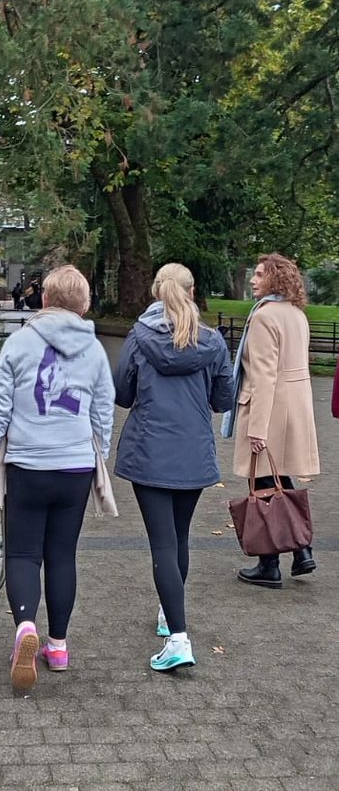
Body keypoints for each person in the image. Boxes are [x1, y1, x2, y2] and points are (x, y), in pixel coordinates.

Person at [0, 265, 115, 693]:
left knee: (23, 554)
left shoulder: (18, 343)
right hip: (75, 467)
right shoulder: (95, 350)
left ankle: (24, 628)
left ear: (45, 300)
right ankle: (58, 646)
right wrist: (100, 456)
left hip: (27, 465)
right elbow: (103, 410)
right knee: (62, 555)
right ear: (84, 306)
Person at [114, 263, 234, 672]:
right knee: (179, 538)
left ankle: (178, 639)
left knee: (163, 543)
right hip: (193, 451)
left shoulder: (139, 335)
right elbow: (223, 400)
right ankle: (170, 614)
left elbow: (122, 392)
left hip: (149, 450)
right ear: (192, 291)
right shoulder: (212, 341)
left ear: (156, 291)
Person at [231, 254, 320, 589]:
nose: (253, 280)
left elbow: (264, 375)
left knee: (263, 484)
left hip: (269, 409)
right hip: (292, 407)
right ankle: (301, 549)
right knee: (277, 479)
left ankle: (270, 563)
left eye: (259, 274)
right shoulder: (296, 314)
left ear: (274, 279)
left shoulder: (265, 316)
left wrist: (257, 428)